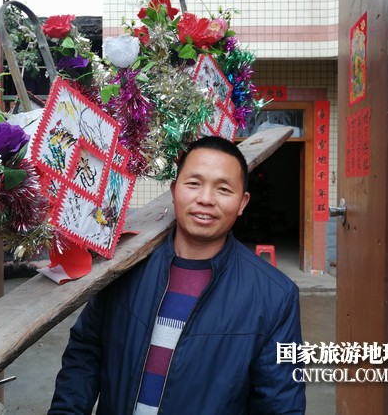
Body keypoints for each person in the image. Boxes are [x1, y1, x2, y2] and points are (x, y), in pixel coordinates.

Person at [48, 136, 306, 415]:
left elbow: (280, 402)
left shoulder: (275, 296)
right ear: (174, 190)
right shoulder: (122, 268)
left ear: (242, 203)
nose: (205, 199)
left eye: (223, 189)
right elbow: (85, 353)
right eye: (193, 184)